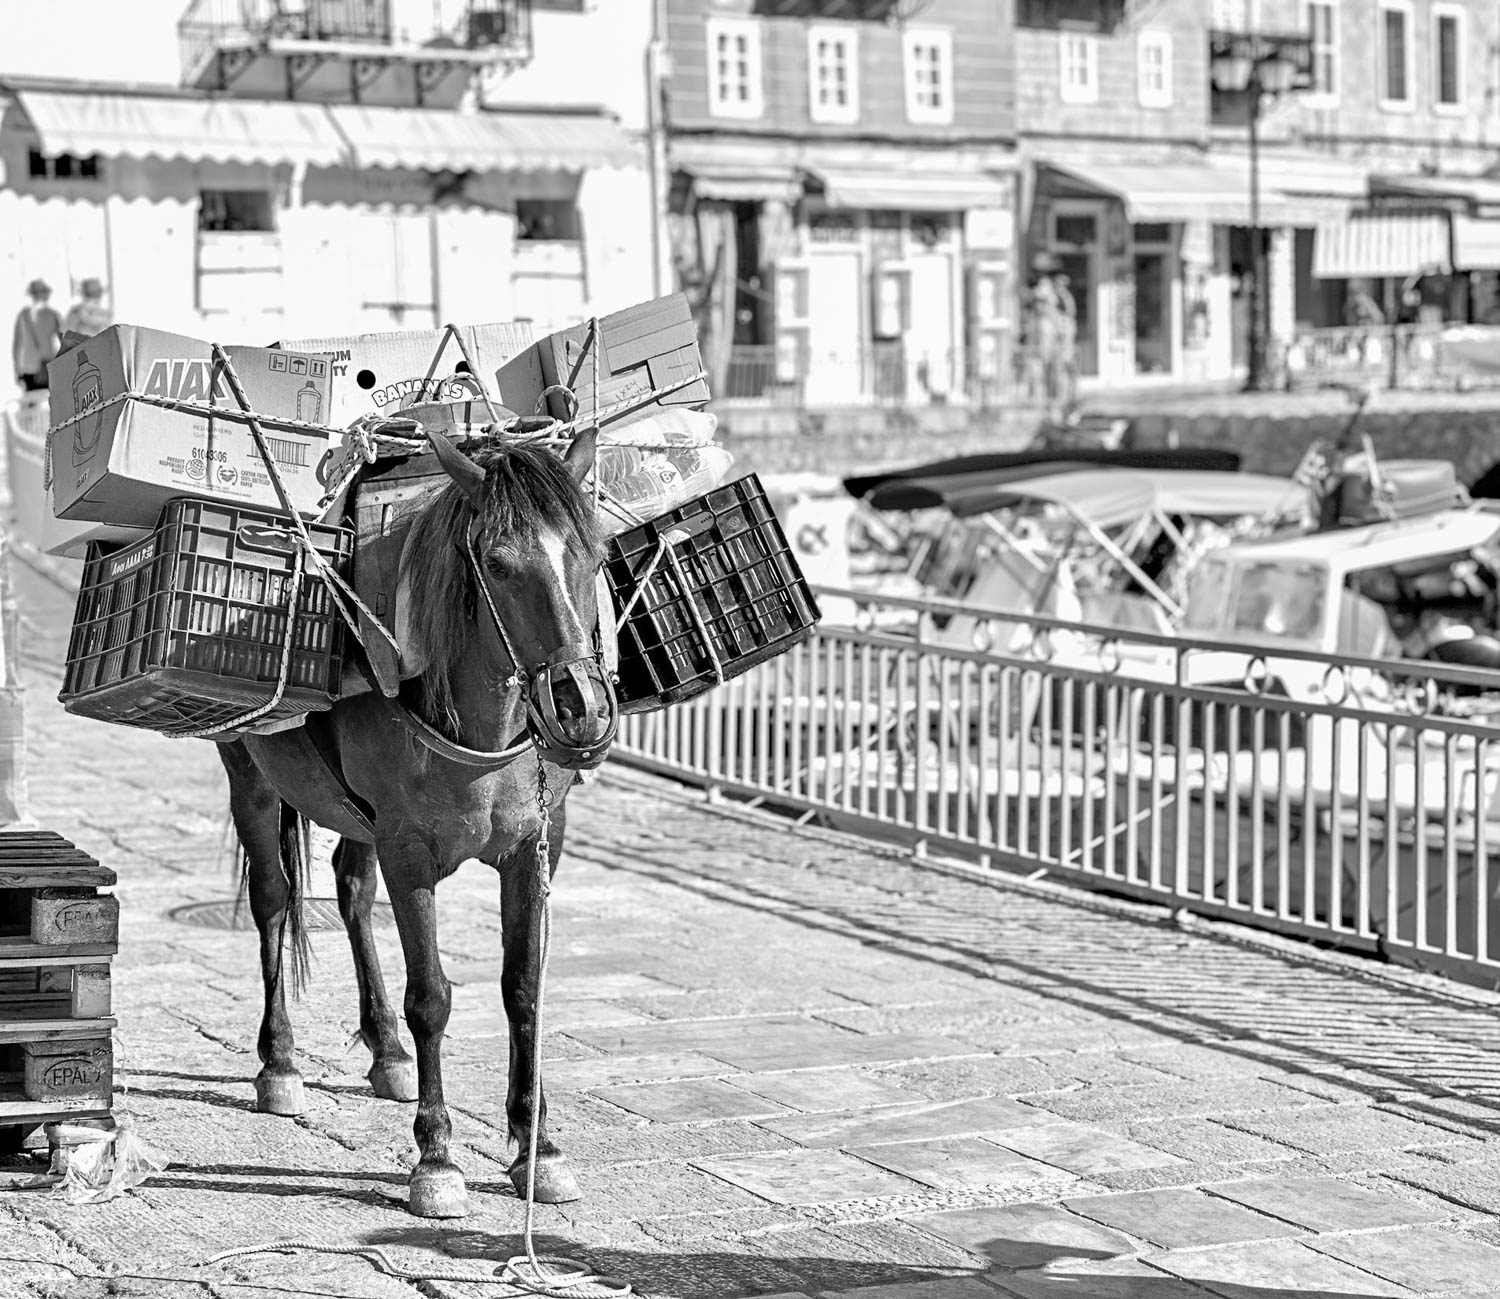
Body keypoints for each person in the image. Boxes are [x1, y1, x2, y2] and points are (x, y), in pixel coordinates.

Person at [12, 278, 62, 391]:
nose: (39, 297)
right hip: (28, 368)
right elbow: (17, 345)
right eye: (36, 294)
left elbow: (63, 339)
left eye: (41, 294)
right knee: (31, 402)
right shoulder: (23, 315)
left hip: (46, 366)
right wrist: (17, 371)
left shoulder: (52, 315)